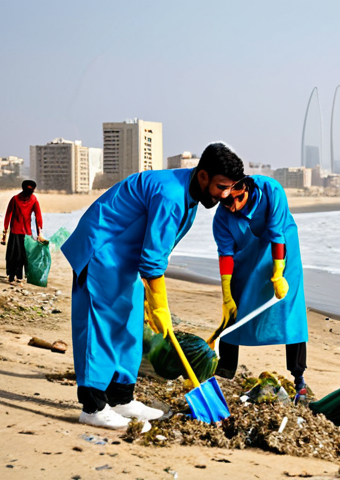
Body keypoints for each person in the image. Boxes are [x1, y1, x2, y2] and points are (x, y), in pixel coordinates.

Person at [61, 142, 245, 429]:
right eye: (221, 186)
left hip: (124, 258)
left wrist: (152, 301)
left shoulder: (189, 193)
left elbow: (157, 249)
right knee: (102, 326)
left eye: (230, 188)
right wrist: (160, 305)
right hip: (102, 250)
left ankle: (121, 398)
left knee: (132, 326)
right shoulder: (172, 195)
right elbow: (153, 259)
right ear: (203, 176)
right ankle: (93, 406)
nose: (224, 195)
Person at [208, 143, 309, 396]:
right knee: (236, 309)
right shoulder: (222, 217)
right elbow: (226, 256)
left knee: (290, 312)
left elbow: (276, 232)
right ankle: (225, 370)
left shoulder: (270, 190)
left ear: (246, 187)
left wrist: (277, 274)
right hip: (246, 254)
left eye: (238, 199)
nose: (234, 207)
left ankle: (299, 377)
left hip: (282, 250)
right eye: (227, 202)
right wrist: (227, 295)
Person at [2, 180, 44, 283]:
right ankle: (15, 276)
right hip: (18, 231)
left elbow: (37, 217)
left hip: (23, 232)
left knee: (17, 255)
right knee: (19, 255)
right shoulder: (16, 199)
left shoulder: (27, 199)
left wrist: (39, 232)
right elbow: (8, 214)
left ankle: (16, 276)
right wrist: (5, 231)